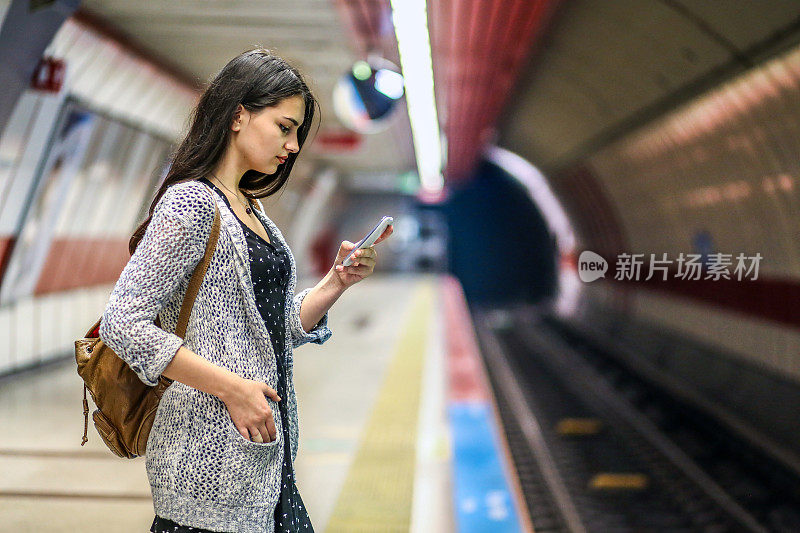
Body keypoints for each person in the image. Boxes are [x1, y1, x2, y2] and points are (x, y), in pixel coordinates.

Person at [99, 49, 392, 533]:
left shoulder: (252, 211)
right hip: (206, 471)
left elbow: (269, 330)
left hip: (266, 468)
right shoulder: (190, 204)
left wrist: (335, 282)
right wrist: (233, 390)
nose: (294, 145)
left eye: (297, 132)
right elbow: (122, 324)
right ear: (238, 115)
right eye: (285, 127)